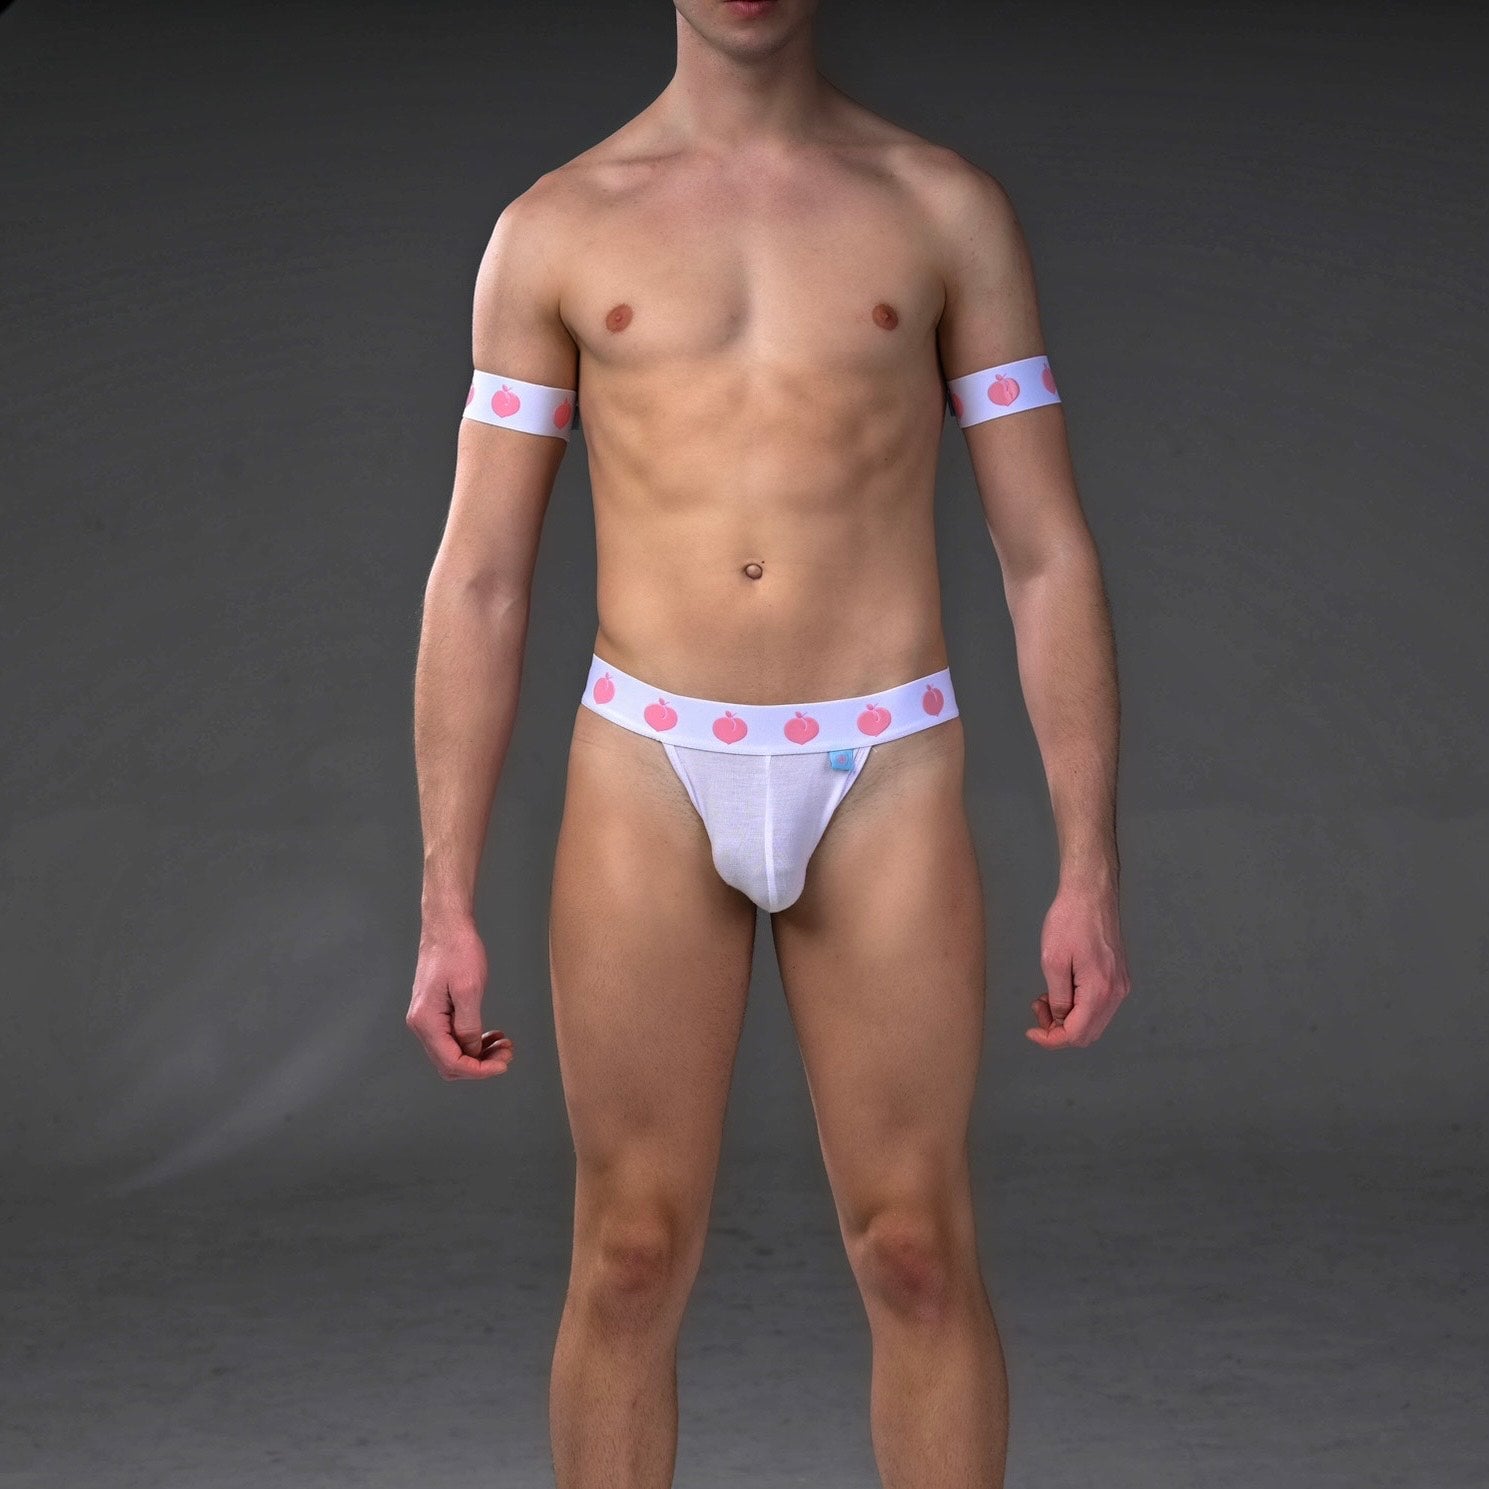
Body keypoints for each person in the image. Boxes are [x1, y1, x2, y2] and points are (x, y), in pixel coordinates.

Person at [407, 1, 1132, 1483]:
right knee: (627, 1254)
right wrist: (444, 894)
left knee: (916, 1249)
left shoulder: (941, 208)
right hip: (648, 754)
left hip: (884, 757)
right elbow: (479, 575)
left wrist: (1089, 864)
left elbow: (1044, 550)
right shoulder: (553, 230)